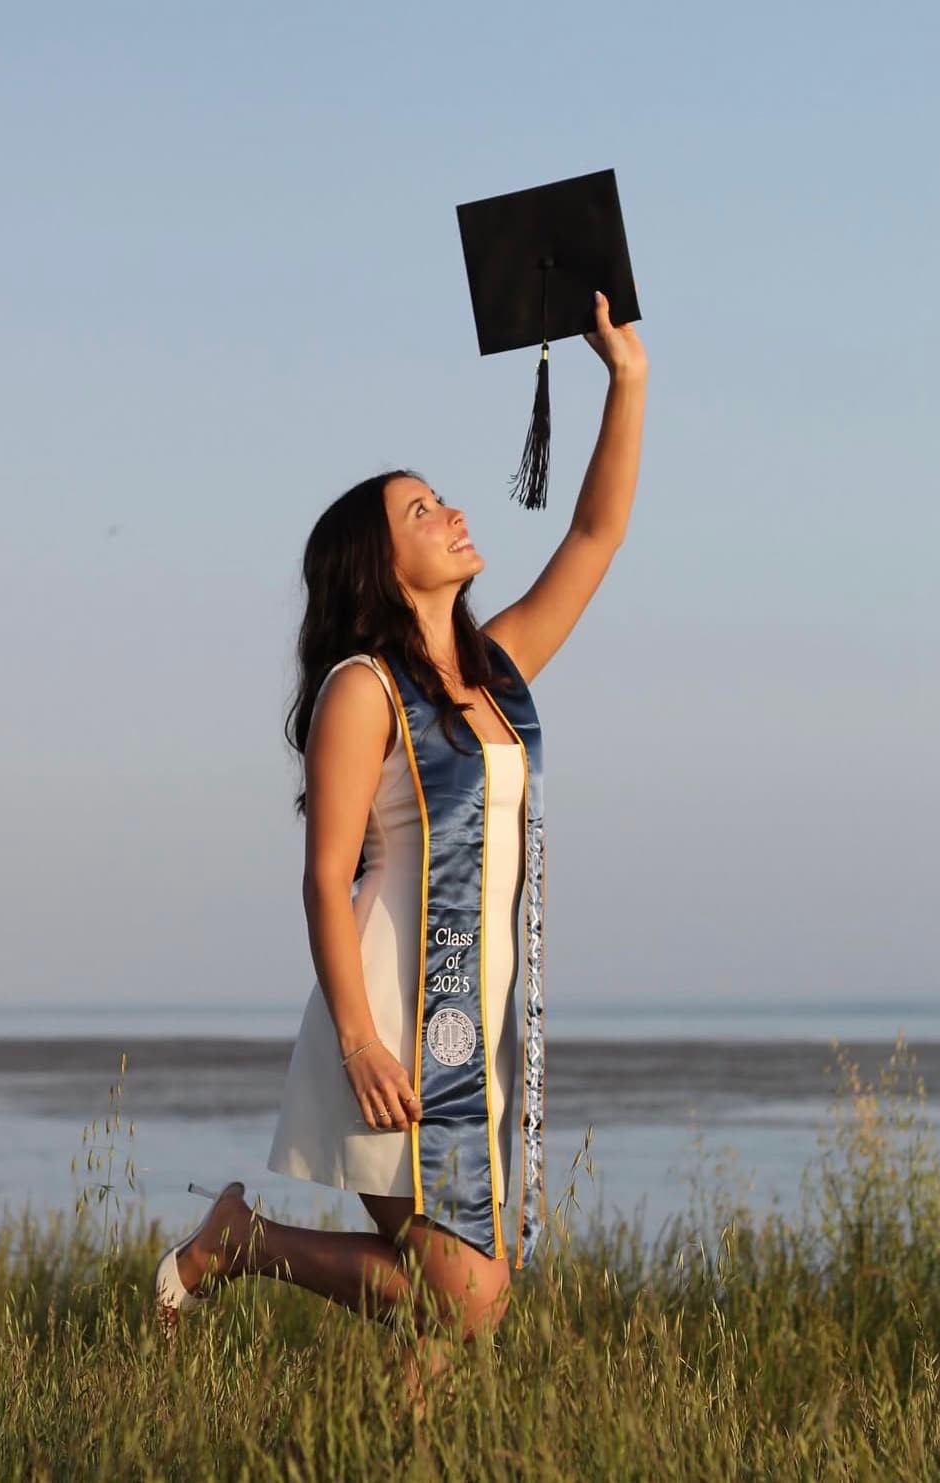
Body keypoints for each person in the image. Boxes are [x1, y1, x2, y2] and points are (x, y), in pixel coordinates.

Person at [155, 290, 646, 1400]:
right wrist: (366, 1043)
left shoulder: (496, 672)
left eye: (440, 499)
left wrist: (627, 379)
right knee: (470, 1295)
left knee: (457, 1298)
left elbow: (596, 535)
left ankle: (397, 1443)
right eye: (422, 510)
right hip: (389, 1020)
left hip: (475, 1016)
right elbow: (326, 877)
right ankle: (245, 1245)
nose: (453, 512)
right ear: (380, 563)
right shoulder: (361, 688)